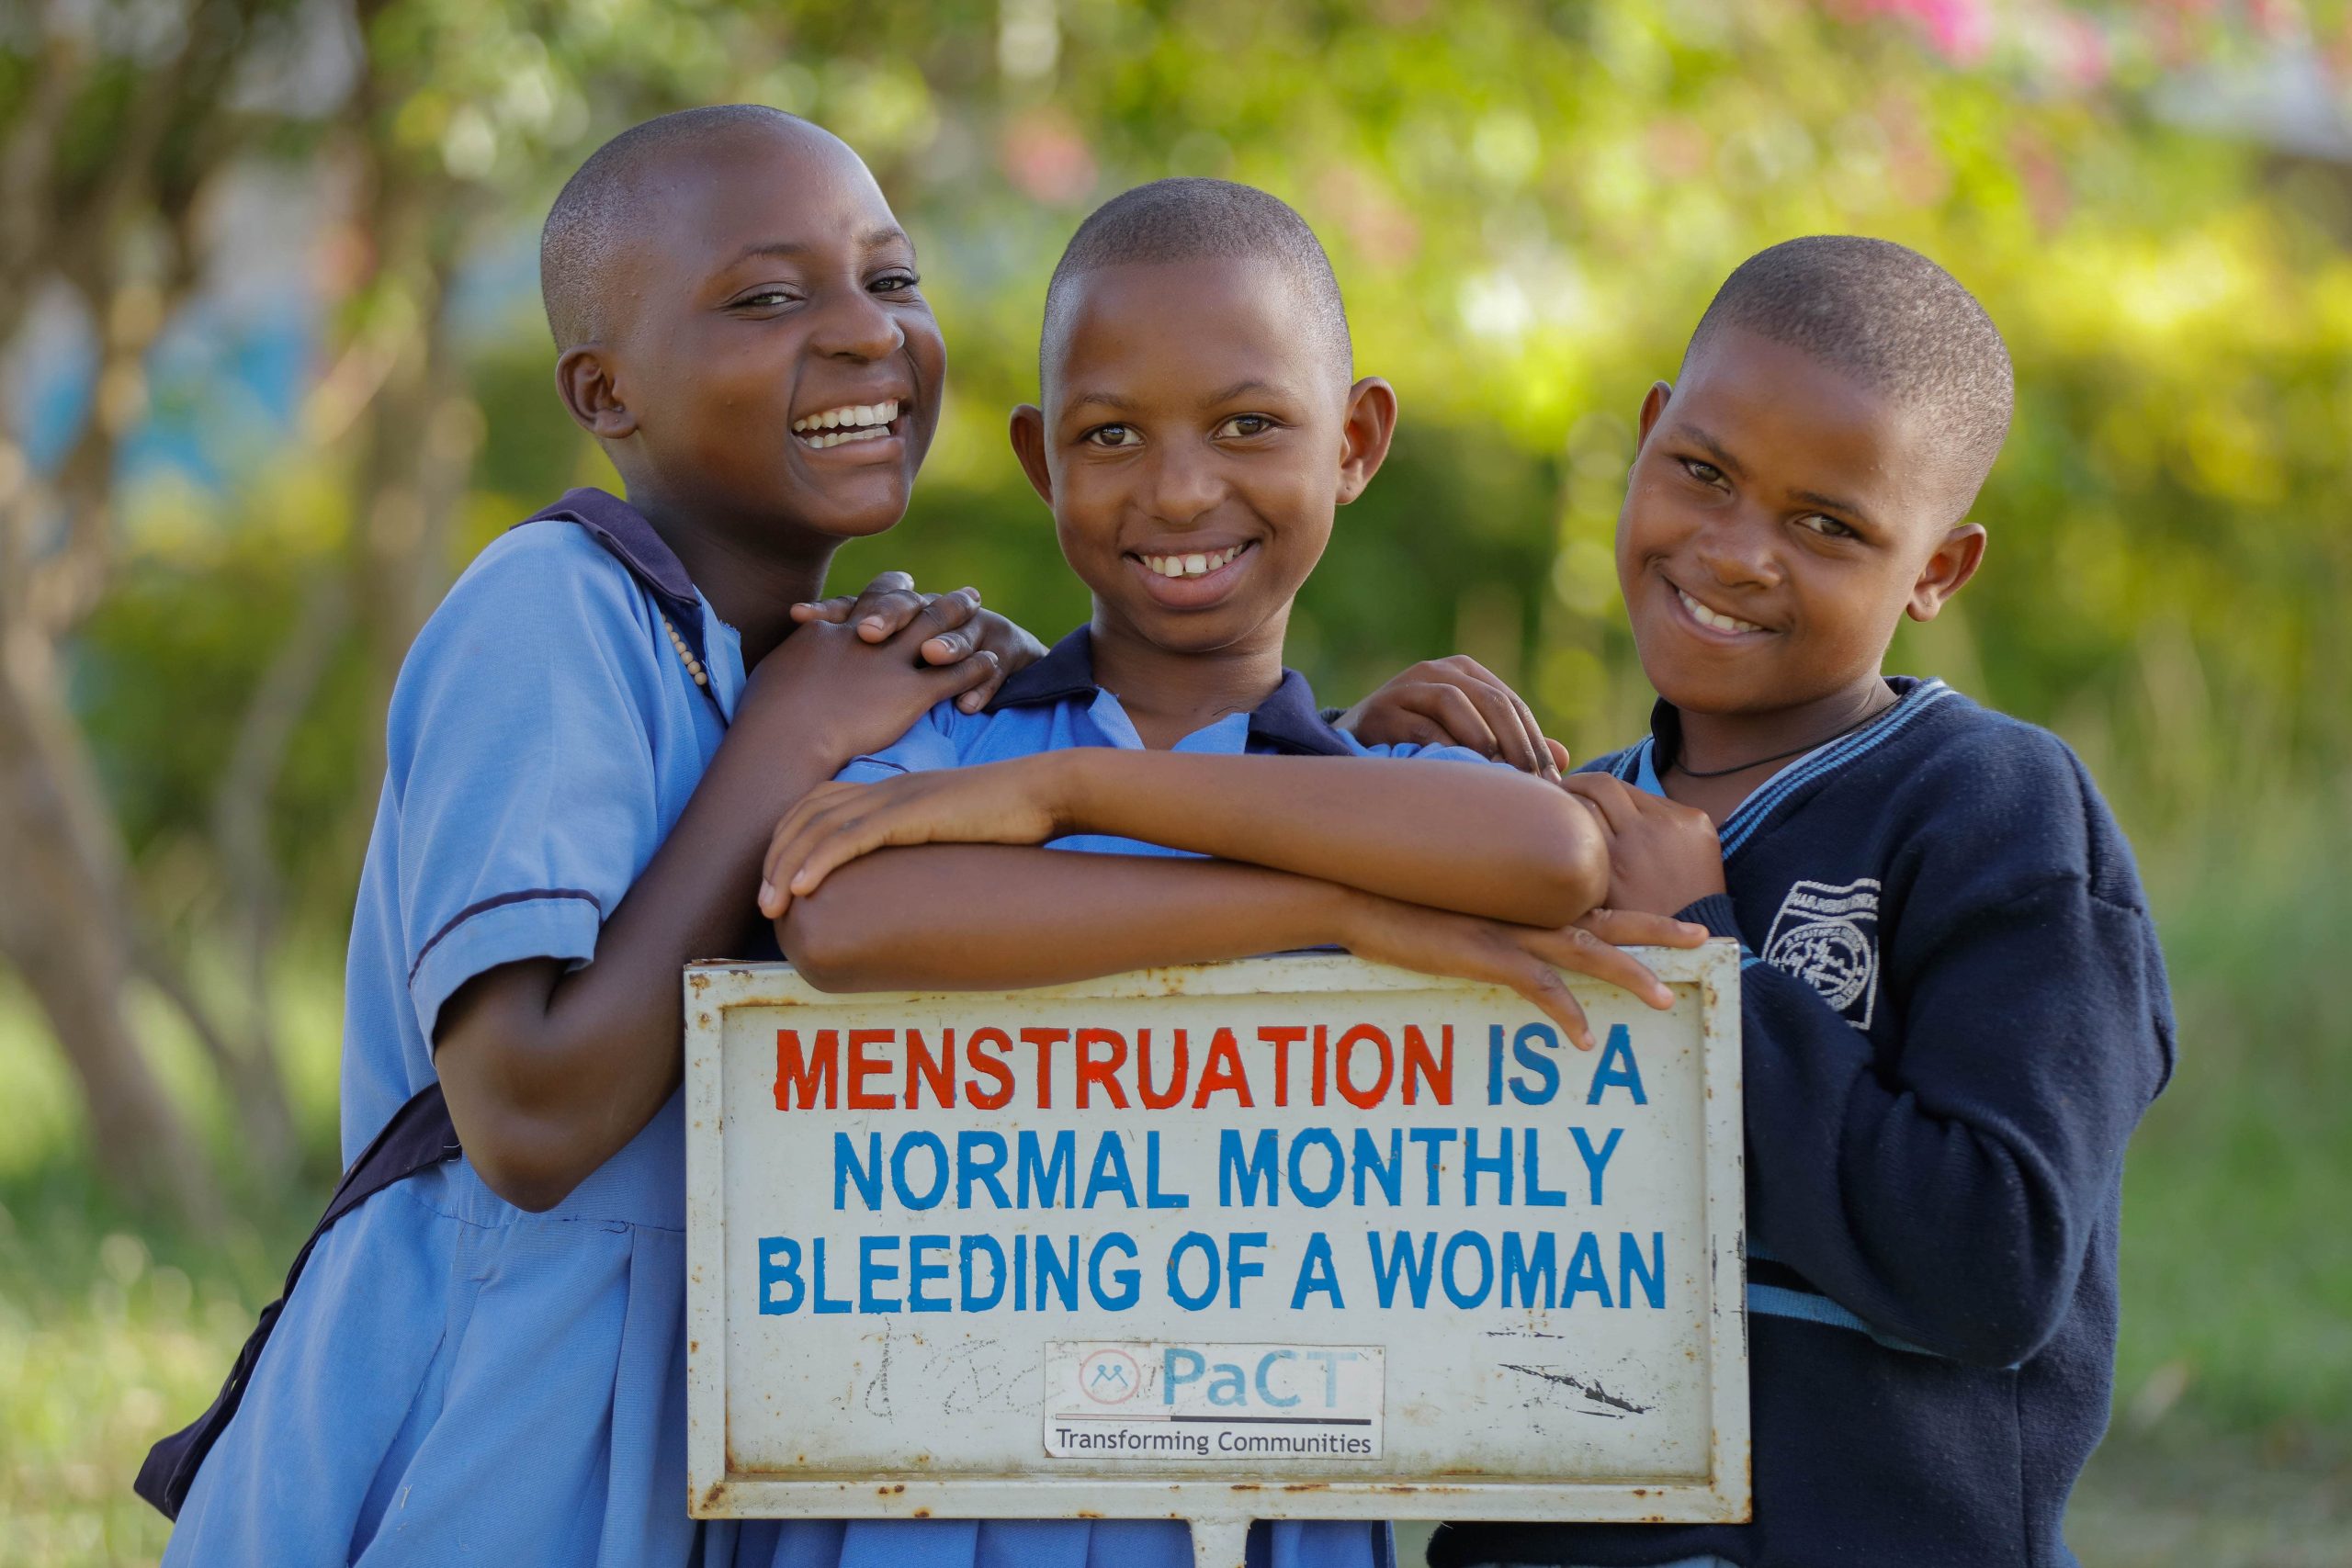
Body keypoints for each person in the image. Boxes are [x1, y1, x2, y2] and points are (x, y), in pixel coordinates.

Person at [753, 178, 1710, 1568]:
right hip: (935, 1506)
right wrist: (1335, 912)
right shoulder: (947, 735)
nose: (1181, 489)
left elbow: (1551, 853)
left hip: (1266, 1498)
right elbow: (837, 916)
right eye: (1109, 435)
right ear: (1039, 460)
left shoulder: (1369, 780)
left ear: (1356, 441)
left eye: (1250, 425)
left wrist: (1074, 795)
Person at [156, 106, 1056, 1567]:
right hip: (470, 1458)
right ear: (605, 389)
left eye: (892, 279)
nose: (864, 331)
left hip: (700, 1449)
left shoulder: (811, 669)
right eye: (768, 297)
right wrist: (790, 742)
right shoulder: (549, 612)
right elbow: (530, 1117)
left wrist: (1044, 719)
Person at [1419, 237, 2176, 1568]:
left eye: (1828, 525)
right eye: (1702, 473)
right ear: (1647, 435)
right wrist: (1361, 785)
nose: (1736, 553)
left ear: (1938, 571)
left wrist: (1712, 968)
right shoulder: (1561, 825)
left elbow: (1995, 1266)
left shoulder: (1993, 812)